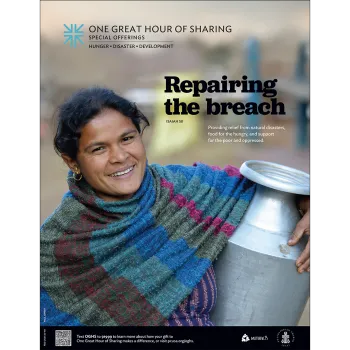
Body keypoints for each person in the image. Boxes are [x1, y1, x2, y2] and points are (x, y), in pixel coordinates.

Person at [40, 86, 311, 326]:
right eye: (99, 149)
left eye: (127, 138)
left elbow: (264, 188)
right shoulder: (58, 246)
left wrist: (305, 204)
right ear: (72, 161)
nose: (120, 157)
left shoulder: (189, 192)